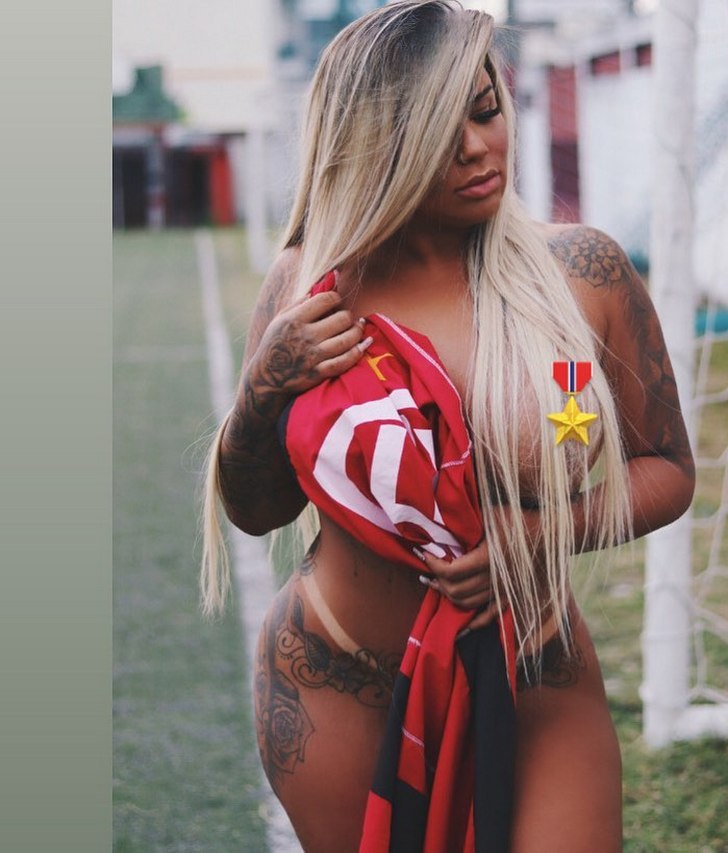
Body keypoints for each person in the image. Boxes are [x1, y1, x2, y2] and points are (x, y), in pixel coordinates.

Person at [201, 1, 695, 850]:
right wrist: (262, 387)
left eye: (486, 109)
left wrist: (537, 533)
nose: (476, 146)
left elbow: (668, 468)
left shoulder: (582, 273)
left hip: (532, 665)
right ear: (371, 144)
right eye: (438, 130)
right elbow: (257, 510)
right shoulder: (309, 284)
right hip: (337, 672)